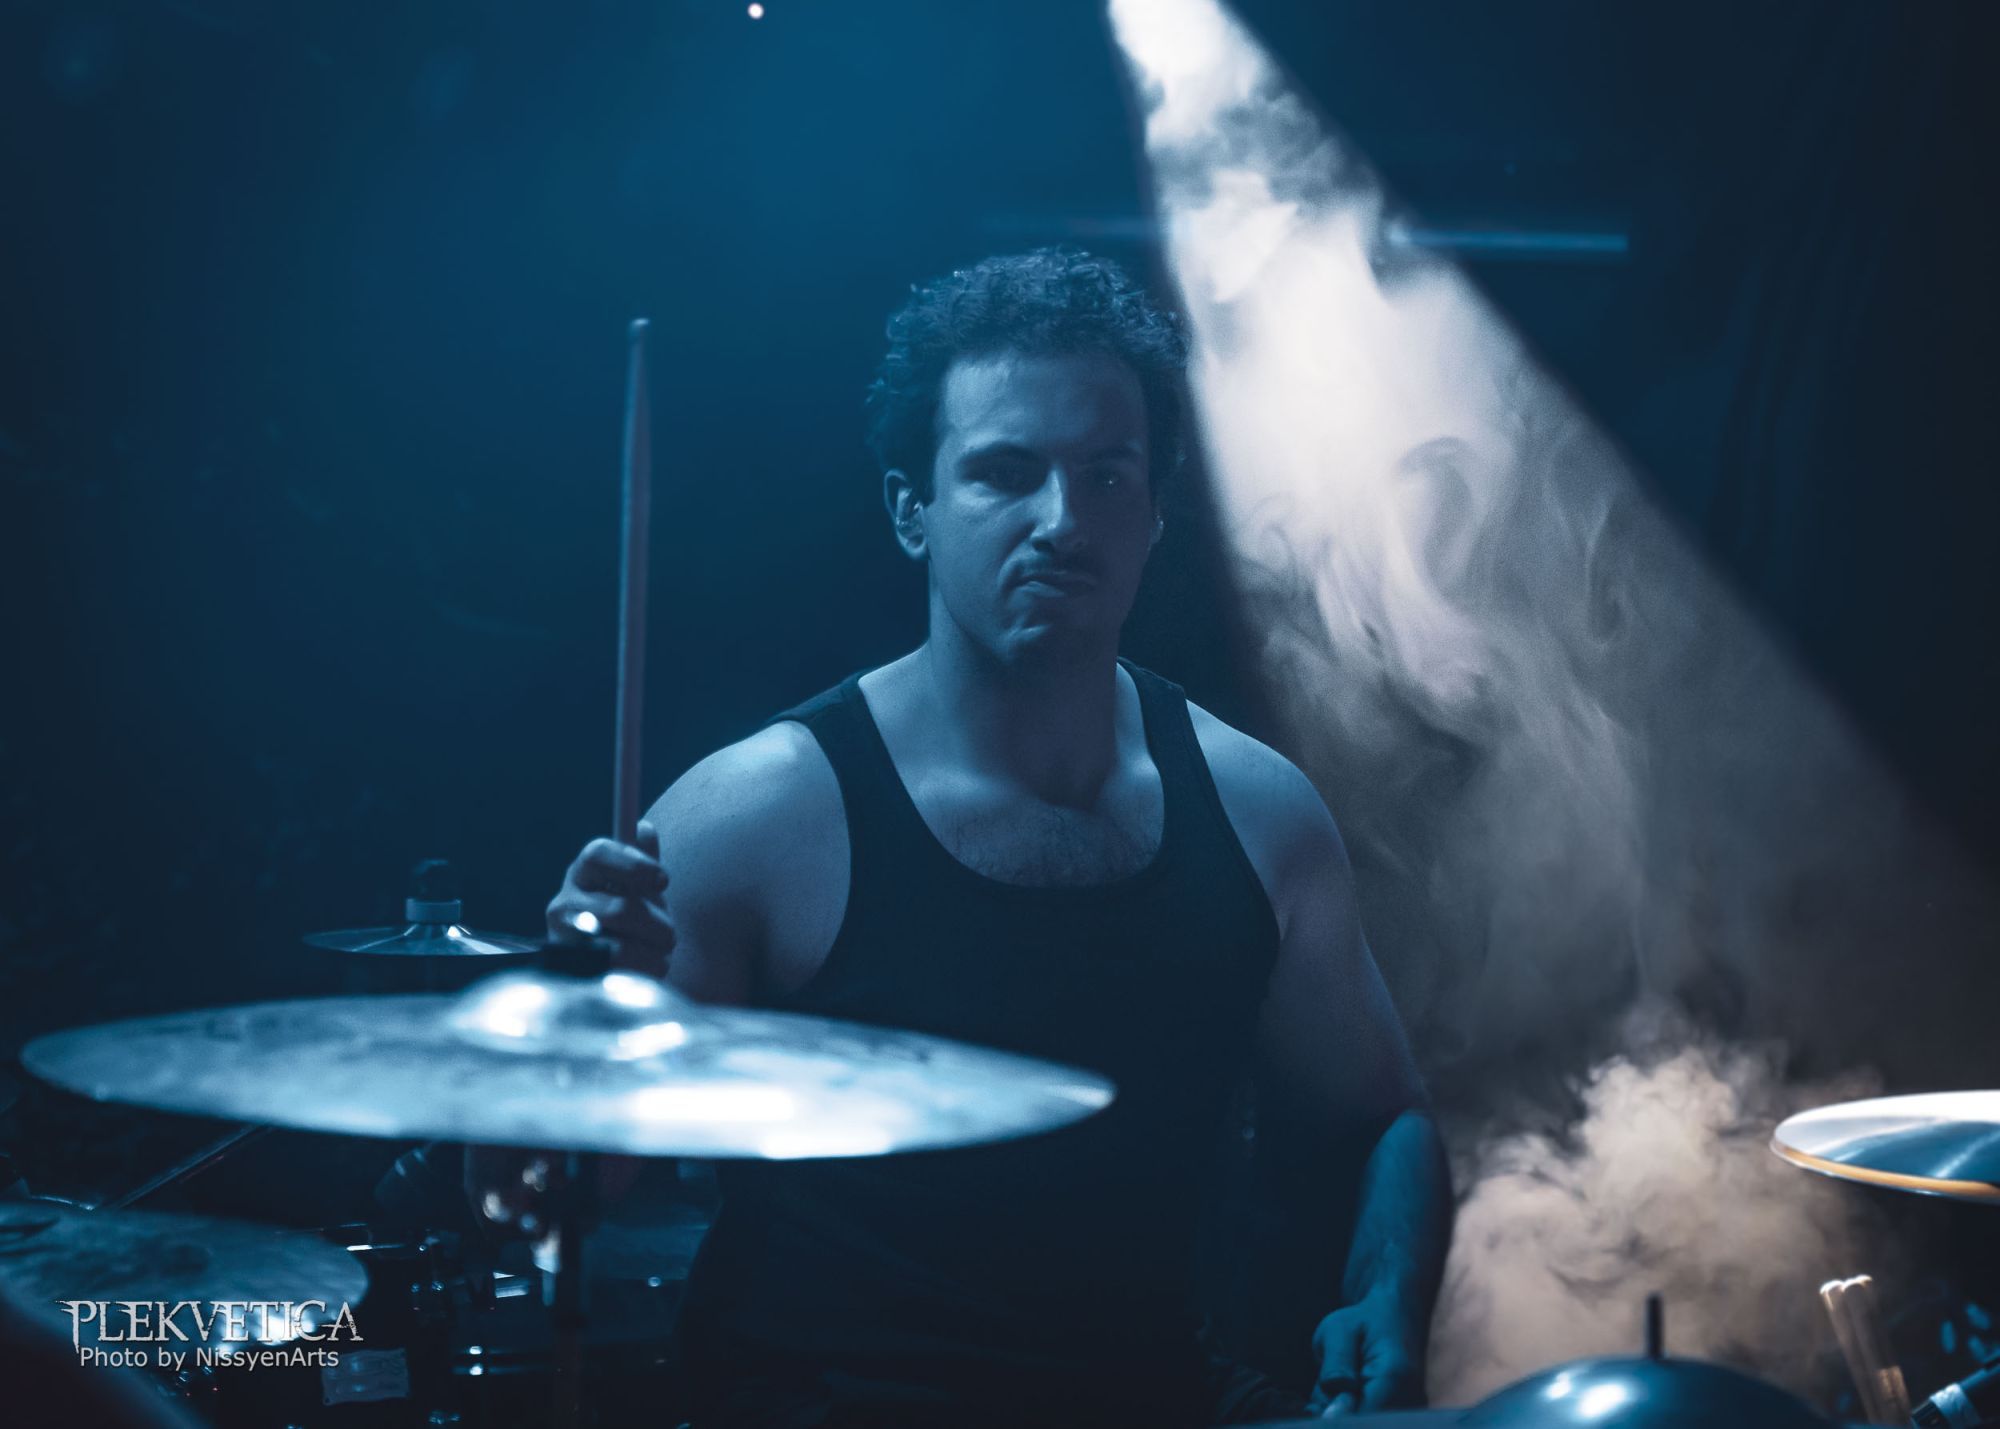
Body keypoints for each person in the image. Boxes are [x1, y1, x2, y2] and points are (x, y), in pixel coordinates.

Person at [543, 249, 1452, 1427]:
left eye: (1105, 475)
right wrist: (568, 1017)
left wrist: (1384, 1296)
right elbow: (558, 1196)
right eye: (1004, 473)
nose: (1060, 521)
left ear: (1154, 511)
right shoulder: (749, 820)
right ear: (910, 510)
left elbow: (1383, 1120)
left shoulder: (1258, 814)